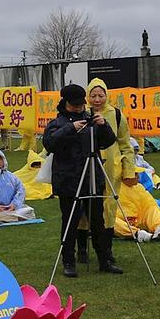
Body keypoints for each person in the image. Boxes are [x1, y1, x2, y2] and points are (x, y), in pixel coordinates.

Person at [43, 84, 122, 278]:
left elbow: (108, 141)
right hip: (68, 180)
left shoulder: (91, 119)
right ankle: (69, 261)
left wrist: (104, 126)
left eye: (81, 104)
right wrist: (71, 128)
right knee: (70, 222)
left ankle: (104, 260)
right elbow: (49, 143)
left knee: (98, 221)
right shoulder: (58, 122)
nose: (80, 108)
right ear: (66, 103)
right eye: (75, 105)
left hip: (92, 178)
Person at [80, 78, 135, 265]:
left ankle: (107, 251)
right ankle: (81, 250)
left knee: (109, 208)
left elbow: (126, 145)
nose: (97, 99)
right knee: (84, 208)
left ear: (106, 95)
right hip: (86, 168)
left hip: (111, 168)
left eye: (100, 95)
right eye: (93, 95)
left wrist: (129, 170)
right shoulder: (82, 114)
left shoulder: (117, 115)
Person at [114, 175, 160, 243]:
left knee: (152, 207)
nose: (138, 177)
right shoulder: (112, 187)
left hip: (136, 219)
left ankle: (159, 227)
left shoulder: (139, 187)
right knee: (108, 219)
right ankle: (137, 233)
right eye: (135, 174)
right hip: (120, 220)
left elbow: (149, 202)